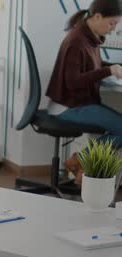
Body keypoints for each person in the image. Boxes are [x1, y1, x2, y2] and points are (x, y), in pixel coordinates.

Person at [46, 0, 122, 184]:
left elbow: (90, 66)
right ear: (97, 17)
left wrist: (112, 67)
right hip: (67, 107)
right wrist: (108, 71)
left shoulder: (87, 37)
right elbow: (73, 82)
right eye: (112, 23)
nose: (113, 29)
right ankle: (81, 160)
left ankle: (82, 162)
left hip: (76, 103)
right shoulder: (77, 41)